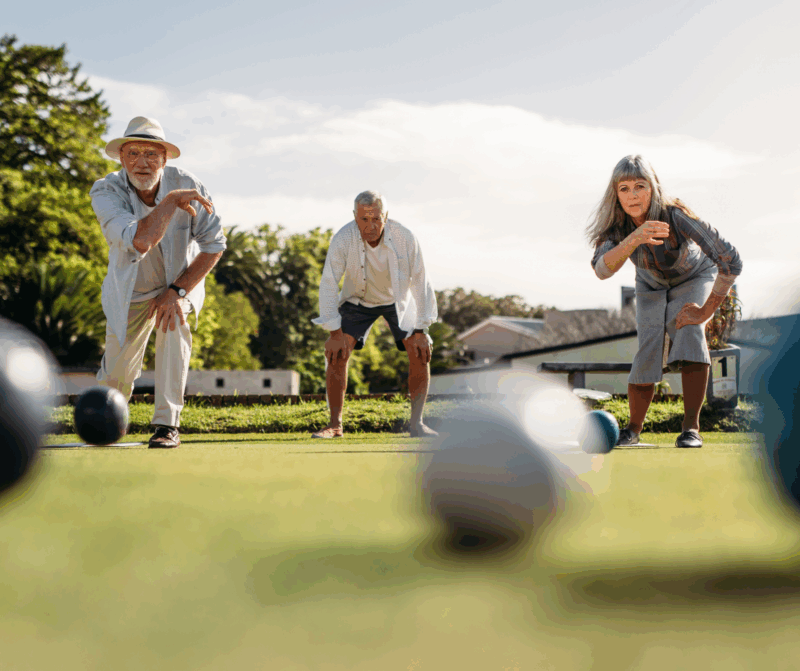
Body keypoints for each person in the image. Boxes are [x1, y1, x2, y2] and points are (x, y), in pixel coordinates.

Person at [587, 155, 742, 448]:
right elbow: (602, 270)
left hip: (693, 277)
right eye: (624, 189)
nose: (632, 195)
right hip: (650, 284)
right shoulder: (616, 225)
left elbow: (730, 260)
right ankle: (633, 430)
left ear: (653, 187)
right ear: (616, 194)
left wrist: (706, 311)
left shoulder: (676, 215)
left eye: (640, 186)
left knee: (688, 329)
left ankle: (691, 429)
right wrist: (634, 238)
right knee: (648, 346)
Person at [90, 117, 227, 448]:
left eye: (151, 153)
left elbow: (215, 245)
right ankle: (108, 422)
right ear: (122, 158)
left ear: (164, 159)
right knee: (117, 374)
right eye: (133, 153)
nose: (142, 162)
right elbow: (140, 241)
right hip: (130, 291)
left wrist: (178, 290)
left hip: (177, 285)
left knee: (174, 322)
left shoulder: (190, 184)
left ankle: (167, 425)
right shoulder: (106, 191)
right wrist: (170, 202)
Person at [311, 191, 438, 439]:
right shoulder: (343, 238)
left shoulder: (405, 237)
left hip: (397, 301)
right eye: (364, 219)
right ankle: (335, 425)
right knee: (337, 352)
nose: (370, 226)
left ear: (386, 216)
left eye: (376, 219)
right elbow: (328, 283)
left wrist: (422, 330)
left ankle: (417, 424)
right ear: (354, 217)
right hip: (358, 300)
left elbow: (421, 281)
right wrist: (334, 332)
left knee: (419, 351)